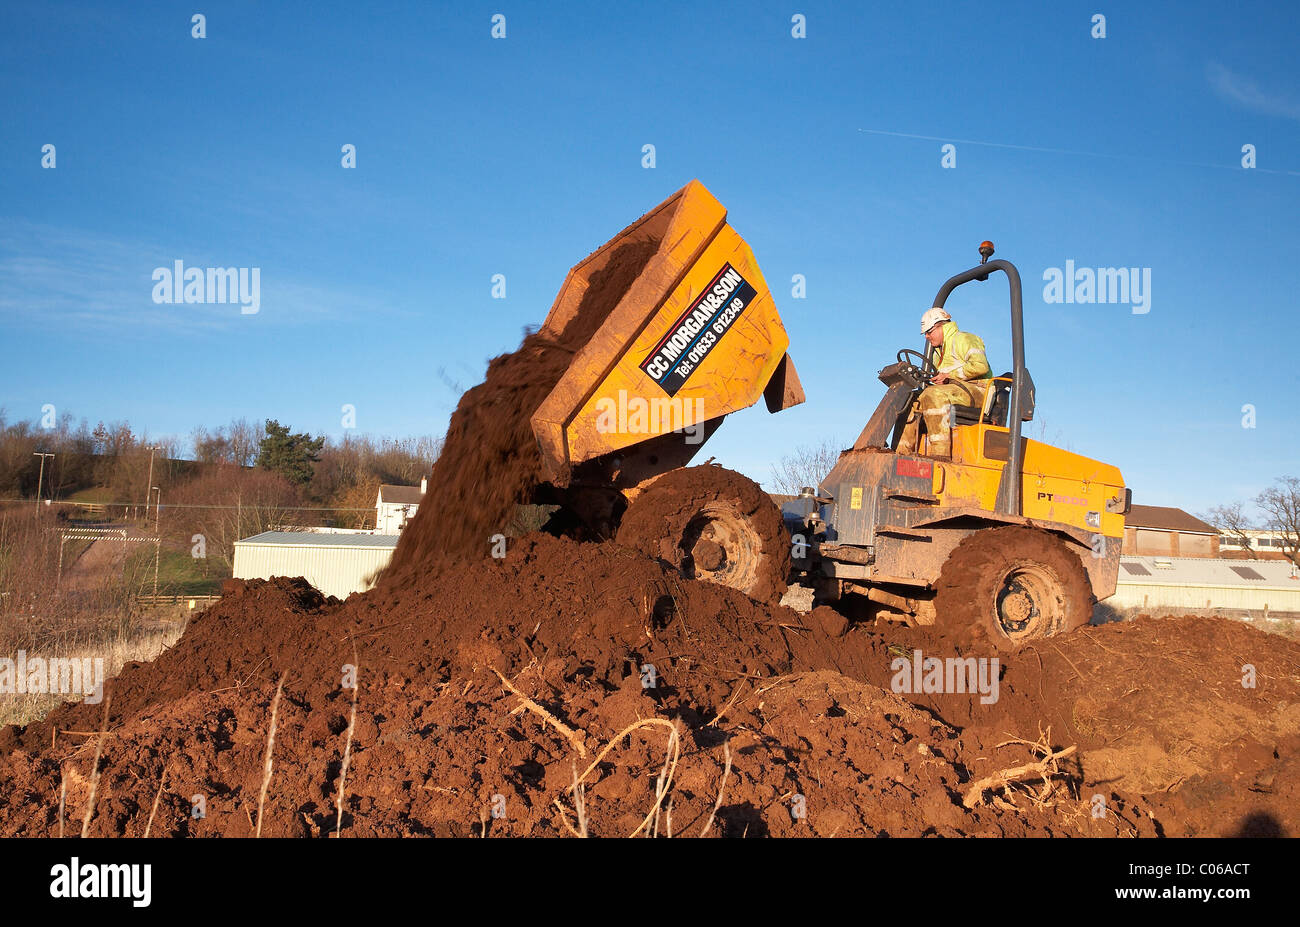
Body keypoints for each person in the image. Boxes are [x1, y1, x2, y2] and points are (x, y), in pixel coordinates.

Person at [896, 307, 992, 457]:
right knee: (910, 400)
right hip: (956, 391)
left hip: (979, 392)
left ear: (941, 326)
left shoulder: (964, 339)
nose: (926, 337)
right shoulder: (938, 353)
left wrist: (948, 376)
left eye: (929, 332)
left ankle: (940, 454)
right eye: (925, 334)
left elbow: (980, 366)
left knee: (932, 395)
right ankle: (900, 454)